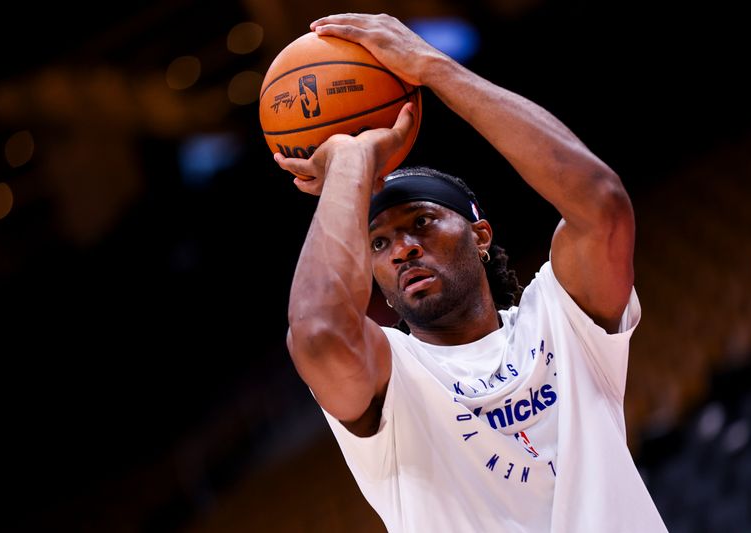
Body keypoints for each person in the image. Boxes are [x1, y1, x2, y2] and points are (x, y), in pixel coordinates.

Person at [275, 13, 667, 533]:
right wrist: (351, 161)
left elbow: (602, 203)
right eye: (380, 243)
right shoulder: (394, 372)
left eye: (422, 222)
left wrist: (432, 68)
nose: (403, 250)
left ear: (480, 235)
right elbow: (319, 333)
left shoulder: (561, 322)